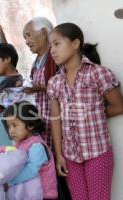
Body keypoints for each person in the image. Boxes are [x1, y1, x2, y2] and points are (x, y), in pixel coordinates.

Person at [0, 17, 71, 199]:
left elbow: (64, 86)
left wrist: (37, 88)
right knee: (47, 171)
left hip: (59, 124)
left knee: (60, 175)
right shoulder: (37, 62)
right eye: (24, 37)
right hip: (45, 125)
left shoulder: (54, 59)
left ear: (44, 33)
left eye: (28, 35)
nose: (27, 41)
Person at [47, 22, 123, 200]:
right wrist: (59, 155)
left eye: (57, 44)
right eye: (51, 46)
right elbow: (55, 119)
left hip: (97, 153)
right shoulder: (54, 82)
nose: (52, 50)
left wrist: (94, 113)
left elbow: (119, 106)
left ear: (75, 44)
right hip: (70, 156)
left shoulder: (98, 74)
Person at [3, 101, 57, 199]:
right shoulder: (19, 144)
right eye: (9, 126)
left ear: (30, 125)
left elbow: (32, 170)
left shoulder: (36, 146)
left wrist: (11, 180)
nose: (11, 130)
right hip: (30, 194)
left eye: (14, 125)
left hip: (44, 195)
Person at [0, 43, 24, 134]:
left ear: (7, 59)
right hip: (24, 128)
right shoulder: (19, 78)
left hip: (16, 132)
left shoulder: (7, 83)